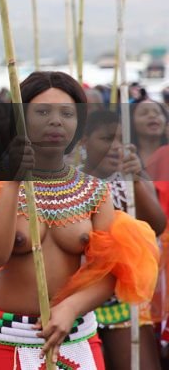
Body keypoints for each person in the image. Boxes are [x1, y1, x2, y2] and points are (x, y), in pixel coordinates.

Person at [0, 71, 160, 369]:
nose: (56, 121)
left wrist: (71, 308)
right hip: (2, 338)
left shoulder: (95, 191)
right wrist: (12, 183)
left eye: (67, 113)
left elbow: (110, 270)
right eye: (42, 111)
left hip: (74, 338)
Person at [80, 109, 166, 369]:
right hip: (77, 303)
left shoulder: (130, 179)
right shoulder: (70, 180)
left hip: (123, 299)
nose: (116, 147)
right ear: (83, 141)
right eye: (106, 139)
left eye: (121, 140)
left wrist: (137, 180)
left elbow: (157, 225)